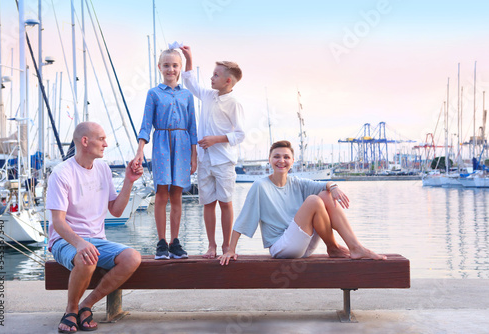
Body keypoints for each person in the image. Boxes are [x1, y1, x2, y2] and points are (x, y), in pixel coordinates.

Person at [219, 140, 386, 265]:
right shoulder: (260, 186)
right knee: (314, 200)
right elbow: (243, 219)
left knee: (326, 195)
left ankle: (355, 246)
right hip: (281, 247)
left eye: (286, 157)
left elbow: (324, 185)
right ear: (269, 160)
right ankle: (334, 246)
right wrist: (231, 249)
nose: (281, 161)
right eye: (276, 156)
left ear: (292, 162)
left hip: (304, 245)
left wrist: (333, 186)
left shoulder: (296, 182)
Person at [47, 122, 144, 333]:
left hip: (97, 240)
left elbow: (116, 211)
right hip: (65, 240)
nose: (106, 144)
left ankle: (86, 305)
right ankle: (71, 310)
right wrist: (80, 243)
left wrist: (129, 181)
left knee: (133, 257)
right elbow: (58, 222)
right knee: (86, 256)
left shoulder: (102, 168)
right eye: (101, 139)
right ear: (85, 141)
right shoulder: (62, 173)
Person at [180, 45, 245, 259]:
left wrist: (216, 139)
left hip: (224, 160)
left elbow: (240, 134)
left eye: (216, 75)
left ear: (228, 80)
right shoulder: (207, 95)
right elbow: (189, 82)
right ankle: (211, 245)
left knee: (225, 203)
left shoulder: (234, 103)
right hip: (205, 159)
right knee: (208, 203)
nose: (211, 78)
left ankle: (227, 246)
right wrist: (188, 57)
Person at [134, 49, 197, 260]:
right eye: (167, 65)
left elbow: (192, 127)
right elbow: (146, 124)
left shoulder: (187, 95)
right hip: (161, 143)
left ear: (180, 68)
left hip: (182, 144)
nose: (171, 69)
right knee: (161, 194)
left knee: (177, 195)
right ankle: (161, 242)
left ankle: (175, 242)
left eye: (175, 65)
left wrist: (194, 155)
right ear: (159, 67)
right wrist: (140, 150)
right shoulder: (153, 93)